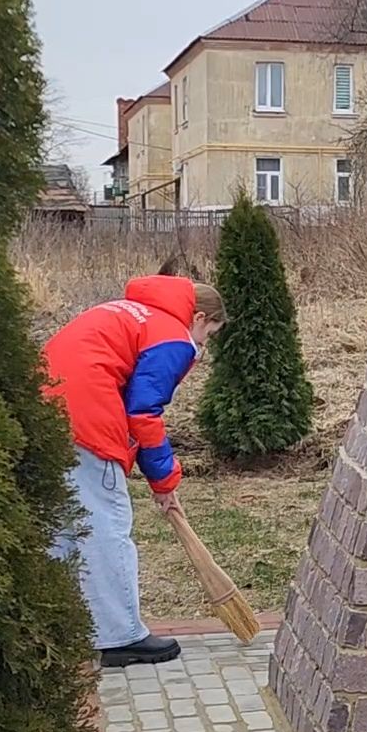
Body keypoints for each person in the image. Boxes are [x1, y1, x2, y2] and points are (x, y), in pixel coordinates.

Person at [43, 274, 224, 667]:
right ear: (198, 318)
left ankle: (48, 625)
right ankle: (119, 636)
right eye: (208, 335)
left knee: (62, 525)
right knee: (105, 524)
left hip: (43, 408)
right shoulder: (173, 335)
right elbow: (143, 412)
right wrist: (164, 480)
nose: (202, 347)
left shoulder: (132, 313)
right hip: (86, 418)